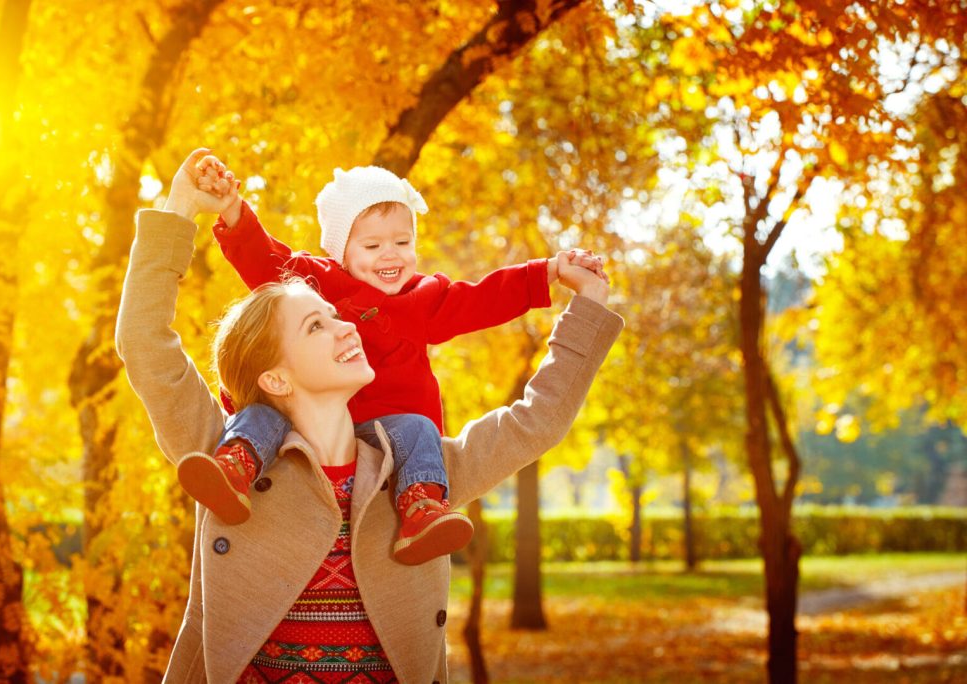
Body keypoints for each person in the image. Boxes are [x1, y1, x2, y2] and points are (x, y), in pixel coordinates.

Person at [115, 149, 622, 682]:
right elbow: (145, 342)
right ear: (275, 377)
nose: (350, 326)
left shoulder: (417, 477)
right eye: (316, 325)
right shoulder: (221, 458)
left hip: (411, 489)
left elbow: (537, 419)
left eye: (337, 317)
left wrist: (584, 301)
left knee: (419, 434)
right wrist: (181, 207)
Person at [177, 154, 606, 568]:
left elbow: (483, 298)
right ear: (341, 252)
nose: (391, 255)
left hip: (392, 438)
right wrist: (233, 210)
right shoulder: (317, 283)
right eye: (373, 244)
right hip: (316, 430)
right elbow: (265, 260)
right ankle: (234, 467)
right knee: (261, 412)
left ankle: (420, 506)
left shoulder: (424, 300)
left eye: (403, 242)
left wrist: (548, 271)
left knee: (421, 429)